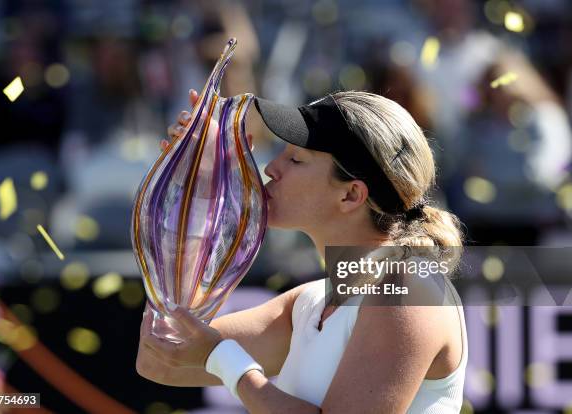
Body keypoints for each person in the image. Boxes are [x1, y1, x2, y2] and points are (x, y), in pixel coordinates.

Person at [136, 89, 468, 413]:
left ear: (350, 196)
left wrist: (225, 359)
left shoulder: (408, 289)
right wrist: (205, 187)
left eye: (296, 159)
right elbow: (160, 358)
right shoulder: (311, 302)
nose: (270, 168)